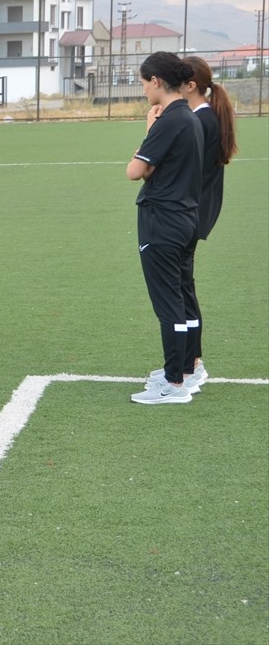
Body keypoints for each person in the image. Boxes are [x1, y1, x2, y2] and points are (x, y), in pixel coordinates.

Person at [127, 51, 203, 405]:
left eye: (144, 83)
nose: (144, 90)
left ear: (156, 81)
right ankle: (185, 370)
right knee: (183, 298)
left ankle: (173, 383)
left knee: (169, 303)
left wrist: (148, 131)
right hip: (185, 218)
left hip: (163, 221)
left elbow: (135, 170)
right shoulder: (189, 117)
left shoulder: (169, 119)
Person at [175, 56, 238, 385]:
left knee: (183, 290)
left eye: (177, 82)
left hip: (190, 213)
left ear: (190, 86)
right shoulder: (206, 117)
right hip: (197, 212)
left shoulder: (200, 121)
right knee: (184, 287)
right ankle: (191, 363)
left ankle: (191, 366)